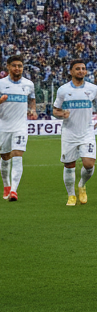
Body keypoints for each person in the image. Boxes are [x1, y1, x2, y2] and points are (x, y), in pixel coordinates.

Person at [52, 60, 97, 206]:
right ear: (71, 71)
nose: (81, 71)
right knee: (69, 165)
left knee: (88, 164)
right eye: (78, 69)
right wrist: (61, 114)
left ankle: (81, 184)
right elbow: (55, 110)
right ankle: (71, 195)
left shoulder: (93, 89)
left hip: (87, 132)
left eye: (83, 69)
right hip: (69, 133)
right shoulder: (63, 90)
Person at [0, 55, 37, 202]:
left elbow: (32, 99)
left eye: (20, 66)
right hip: (3, 126)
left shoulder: (29, 84)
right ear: (8, 67)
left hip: (20, 126)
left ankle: (14, 191)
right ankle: (7, 185)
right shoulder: (1, 84)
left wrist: (33, 110)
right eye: (14, 65)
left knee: (17, 154)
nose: (17, 68)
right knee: (5, 157)